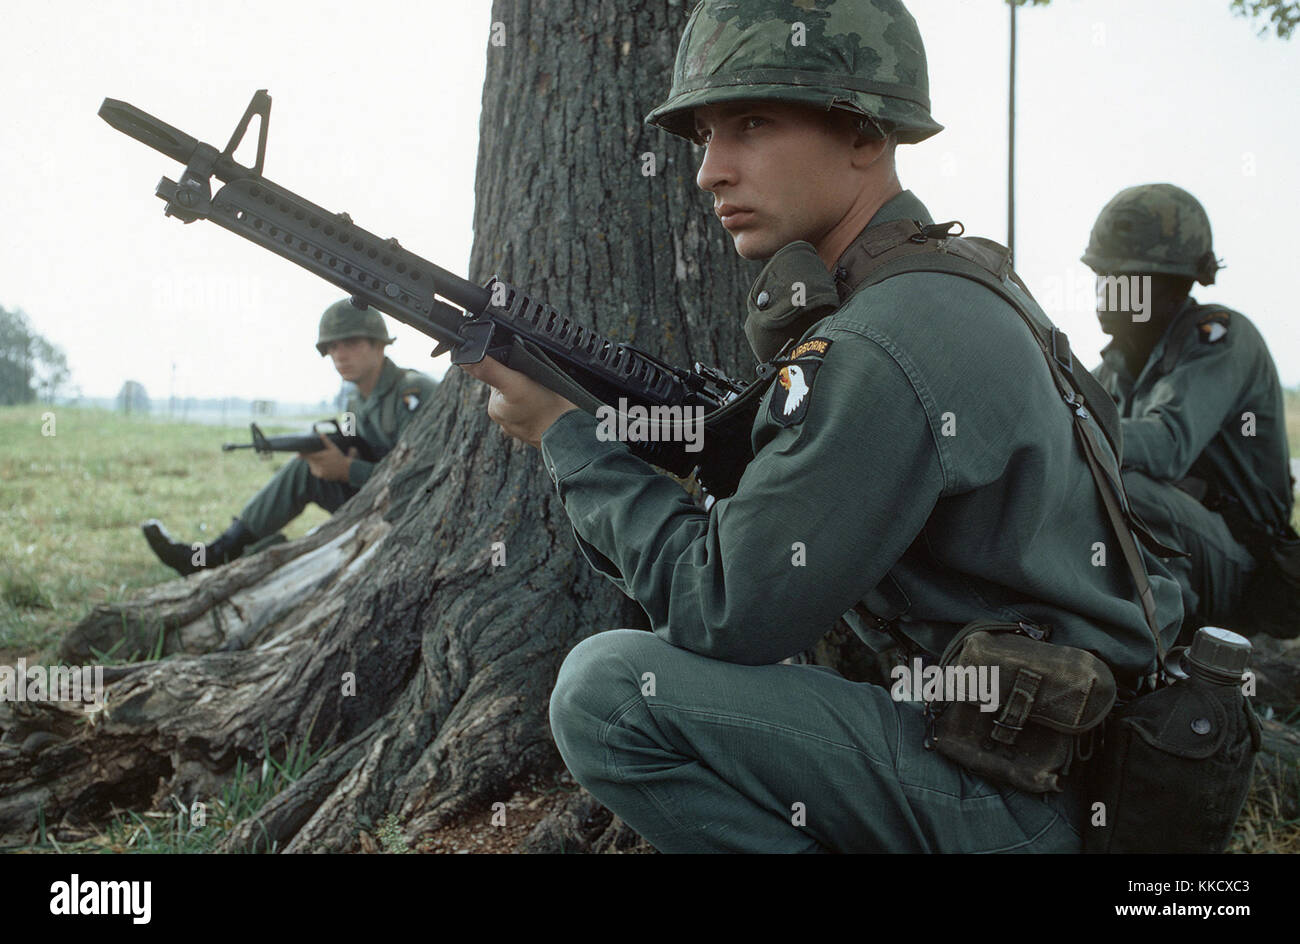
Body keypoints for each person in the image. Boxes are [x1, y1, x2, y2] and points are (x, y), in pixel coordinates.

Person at [463, 0, 1184, 853]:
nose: (710, 172)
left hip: (1027, 802)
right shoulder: (954, 279)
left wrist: (569, 437)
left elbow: (724, 608)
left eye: (753, 123)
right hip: (1065, 761)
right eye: (704, 136)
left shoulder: (884, 338)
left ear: (866, 134)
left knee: (610, 691)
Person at [1085, 184, 1295, 636]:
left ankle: (1171, 649)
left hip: (1245, 564)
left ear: (1173, 287)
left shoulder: (1218, 339)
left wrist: (1066, 425)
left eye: (1127, 279)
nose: (1107, 291)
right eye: (1103, 276)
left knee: (1126, 486)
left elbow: (1167, 445)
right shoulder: (1115, 365)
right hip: (1191, 546)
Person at [142, 299, 437, 576]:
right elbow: (353, 442)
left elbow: (423, 476)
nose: (339, 354)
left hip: (412, 509)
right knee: (304, 469)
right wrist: (330, 451)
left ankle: (220, 554)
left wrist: (348, 469)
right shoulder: (353, 403)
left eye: (351, 342)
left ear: (379, 345)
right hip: (372, 498)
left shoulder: (412, 394)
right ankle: (213, 554)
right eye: (332, 347)